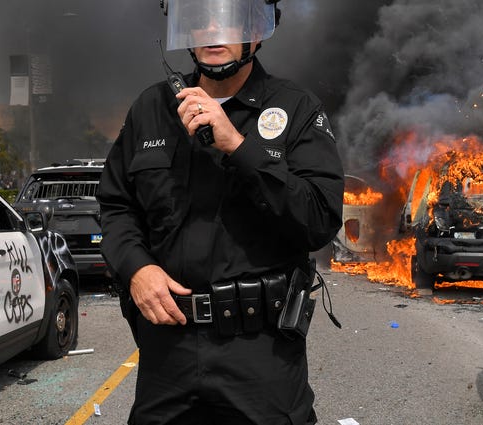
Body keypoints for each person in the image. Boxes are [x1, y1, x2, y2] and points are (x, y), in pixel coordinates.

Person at [97, 0, 344, 423]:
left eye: (229, 19)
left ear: (258, 30)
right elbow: (117, 206)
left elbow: (320, 218)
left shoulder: (296, 110)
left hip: (260, 353)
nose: (213, 30)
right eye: (199, 18)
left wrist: (239, 147)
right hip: (167, 352)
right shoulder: (151, 109)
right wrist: (137, 269)